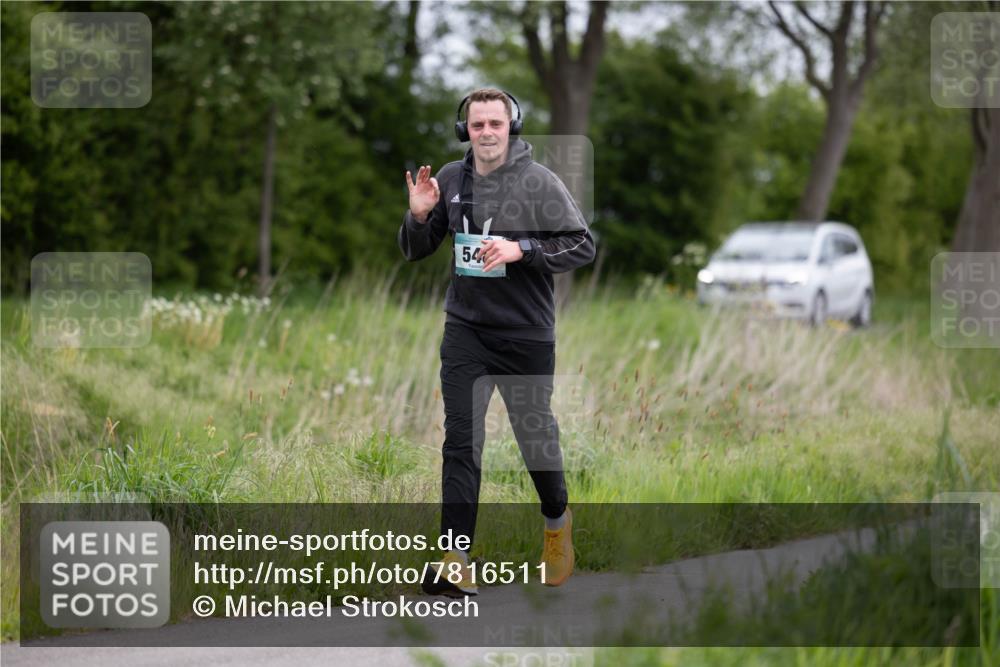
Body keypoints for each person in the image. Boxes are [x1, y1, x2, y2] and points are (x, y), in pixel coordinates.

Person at [398, 88, 595, 597]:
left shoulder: (539, 181)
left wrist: (520, 249)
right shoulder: (450, 178)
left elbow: (581, 244)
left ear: (512, 127)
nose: (486, 132)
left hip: (525, 333)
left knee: (534, 436)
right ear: (465, 130)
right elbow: (417, 250)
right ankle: (456, 557)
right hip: (466, 330)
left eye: (495, 124)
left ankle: (557, 523)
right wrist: (418, 217)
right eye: (477, 124)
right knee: (461, 440)